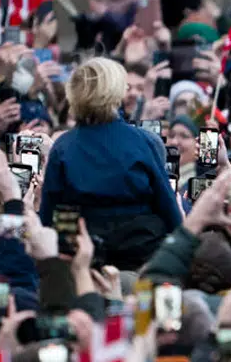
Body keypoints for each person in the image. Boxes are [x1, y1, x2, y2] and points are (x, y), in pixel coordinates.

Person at [38, 57, 180, 269]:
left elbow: (47, 218)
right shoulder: (145, 141)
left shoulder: (62, 147)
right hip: (141, 261)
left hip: (83, 261)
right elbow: (169, 209)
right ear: (117, 91)